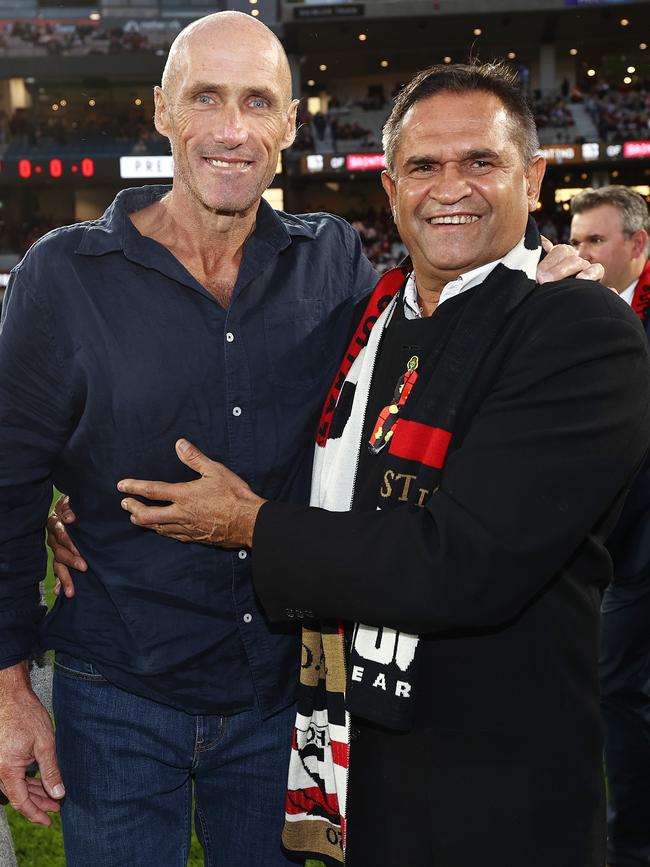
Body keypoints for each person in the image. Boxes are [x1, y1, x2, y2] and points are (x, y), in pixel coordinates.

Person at [87, 62, 650, 867]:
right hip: (358, 761)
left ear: (533, 180)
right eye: (423, 166)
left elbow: (461, 563)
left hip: (497, 791)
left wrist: (248, 525)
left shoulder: (577, 329)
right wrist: (83, 498)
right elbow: (258, 432)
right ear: (390, 189)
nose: (449, 187)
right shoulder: (370, 315)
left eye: (480, 163)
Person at [0, 11, 379, 867]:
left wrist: (543, 273)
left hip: (283, 692)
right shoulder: (61, 275)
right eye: (206, 97)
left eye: (258, 102)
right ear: (163, 109)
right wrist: (9, 689)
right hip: (115, 692)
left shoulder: (336, 262)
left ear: (290, 122)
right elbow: (7, 485)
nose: (232, 130)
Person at [570, 185, 650, 867]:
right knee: (616, 694)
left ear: (637, 245)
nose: (581, 253)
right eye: (576, 240)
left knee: (617, 692)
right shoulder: (567, 316)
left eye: (596, 240)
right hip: (602, 553)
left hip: (633, 550)